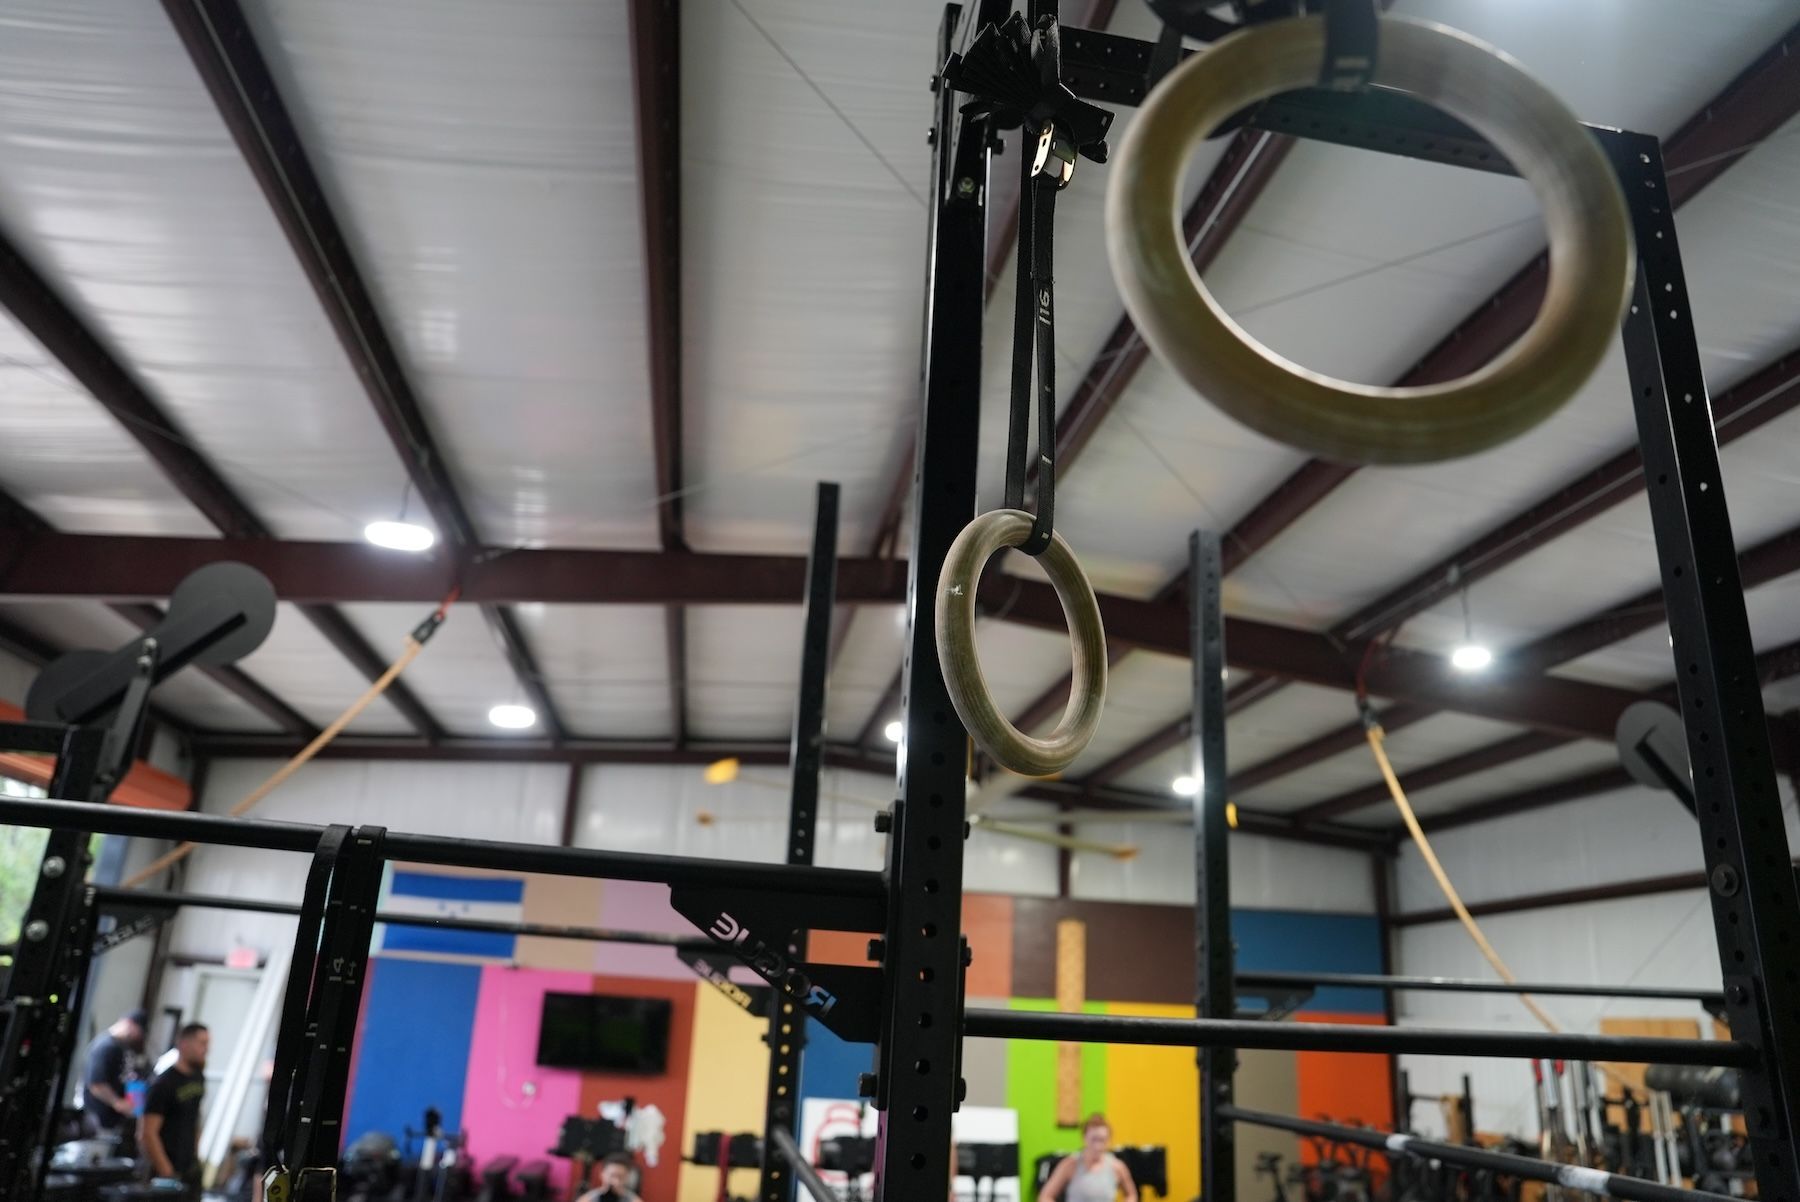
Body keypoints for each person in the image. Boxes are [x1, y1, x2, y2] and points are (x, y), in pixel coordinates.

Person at [139, 1023, 209, 1196]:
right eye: (202, 1043)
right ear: (184, 1044)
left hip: (189, 1166)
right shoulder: (163, 1084)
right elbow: (147, 1133)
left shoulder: (198, 1077)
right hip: (167, 1170)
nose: (206, 1049)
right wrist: (166, 1171)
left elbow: (195, 1118)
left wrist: (195, 1156)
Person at [80, 1009, 147, 1140]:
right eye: (138, 1031)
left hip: (112, 1121)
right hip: (96, 1119)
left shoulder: (123, 1048)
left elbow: (128, 1077)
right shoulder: (105, 1046)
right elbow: (96, 1083)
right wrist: (117, 1102)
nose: (138, 1036)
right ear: (129, 1024)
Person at [1040, 1113, 1138, 1202]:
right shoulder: (1070, 1164)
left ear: (1109, 1141)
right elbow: (1045, 1197)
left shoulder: (1117, 1167)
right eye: (1094, 1139)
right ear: (1084, 1138)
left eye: (1102, 1140)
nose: (1098, 1146)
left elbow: (1132, 1195)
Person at [577, 1151, 642, 1201]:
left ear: (627, 1177)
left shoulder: (634, 1200)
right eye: (612, 1175)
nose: (616, 1181)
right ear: (602, 1174)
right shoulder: (588, 1199)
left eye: (620, 1177)